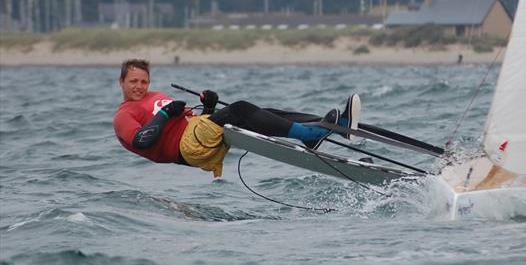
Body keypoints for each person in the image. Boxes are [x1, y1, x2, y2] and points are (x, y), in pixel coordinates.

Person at [113, 58, 361, 178]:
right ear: (121, 82)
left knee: (264, 113)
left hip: (198, 137)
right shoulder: (125, 115)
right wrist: (166, 113)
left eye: (144, 81)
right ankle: (310, 136)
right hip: (188, 149)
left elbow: (196, 128)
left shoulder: (154, 95)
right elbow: (141, 141)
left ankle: (325, 126)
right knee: (240, 109)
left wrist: (208, 107)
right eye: (133, 81)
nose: (139, 86)